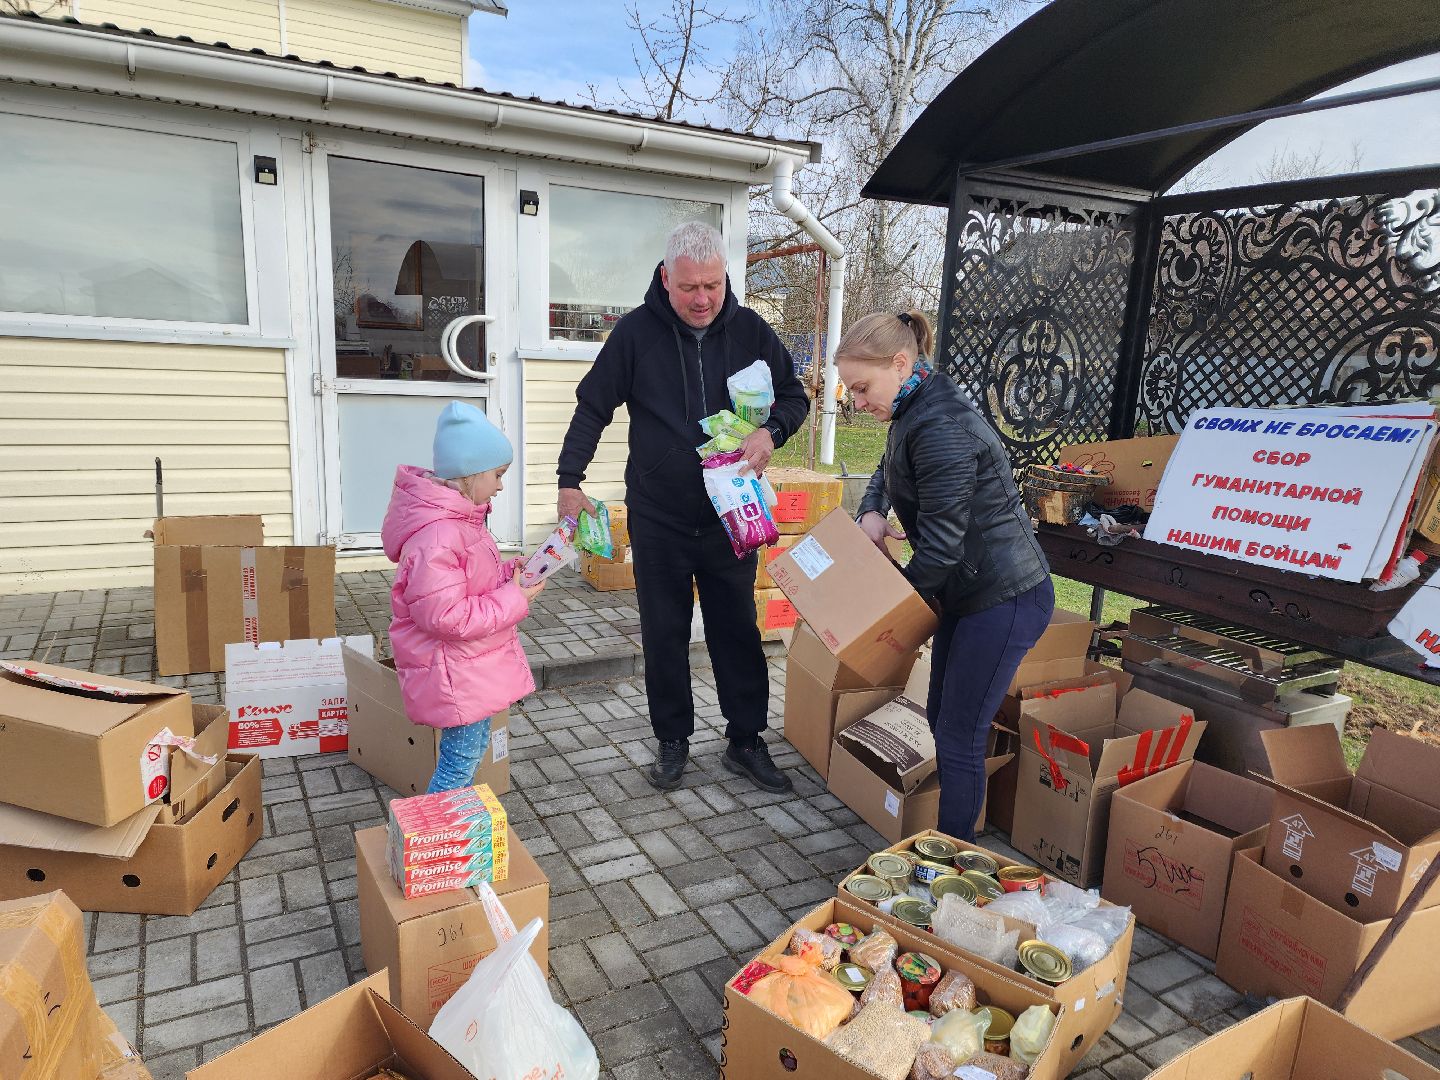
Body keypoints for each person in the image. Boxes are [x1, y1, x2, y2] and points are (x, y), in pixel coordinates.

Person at [557, 221, 810, 792]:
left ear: (726, 278)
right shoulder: (636, 335)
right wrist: (569, 479)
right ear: (666, 278)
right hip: (660, 516)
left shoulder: (752, 332)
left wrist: (772, 432)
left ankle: (745, 741)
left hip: (731, 516)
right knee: (664, 632)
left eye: (713, 286)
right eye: (690, 287)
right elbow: (592, 406)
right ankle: (672, 741)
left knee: (737, 631)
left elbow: (796, 397)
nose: (702, 299)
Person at [839, 310, 1055, 841]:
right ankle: (950, 845)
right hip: (969, 592)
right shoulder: (917, 404)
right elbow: (888, 466)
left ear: (900, 363)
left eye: (861, 388)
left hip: (1004, 597)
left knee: (959, 733)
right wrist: (871, 507)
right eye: (851, 390)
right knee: (940, 715)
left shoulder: (940, 426)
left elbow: (937, 553)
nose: (857, 402)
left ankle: (952, 858)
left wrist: (882, 622)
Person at [381, 400, 545, 794]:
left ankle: (446, 832)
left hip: (466, 668)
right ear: (470, 474)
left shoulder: (461, 523)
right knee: (458, 764)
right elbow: (447, 616)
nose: (502, 485)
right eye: (498, 474)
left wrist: (510, 576)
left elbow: (472, 582)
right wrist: (516, 599)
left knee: (465, 757)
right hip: (456, 671)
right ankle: (438, 837)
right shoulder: (439, 535)